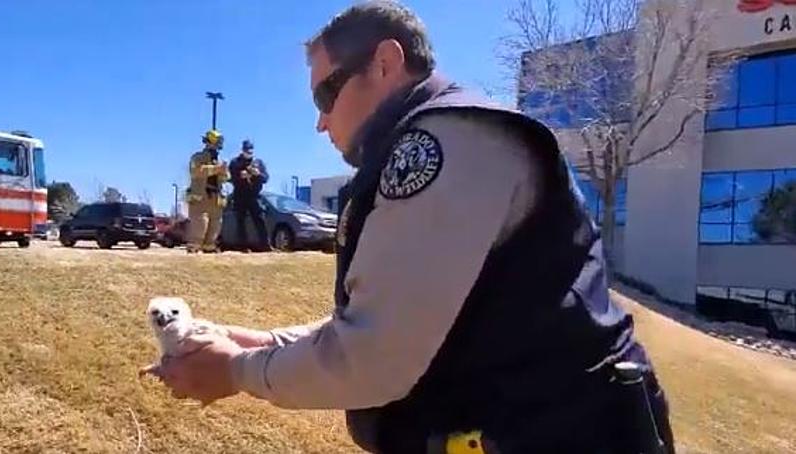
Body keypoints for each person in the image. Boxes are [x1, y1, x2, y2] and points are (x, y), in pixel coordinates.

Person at [145, 2, 675, 453]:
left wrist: (237, 370)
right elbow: (390, 316)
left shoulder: (441, 144)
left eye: (324, 96)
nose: (320, 122)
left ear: (384, 63)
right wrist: (262, 341)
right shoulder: (436, 141)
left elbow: (373, 356)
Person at [185, 130, 229, 253]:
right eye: (217, 142)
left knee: (215, 225)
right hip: (200, 196)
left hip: (216, 197)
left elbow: (226, 178)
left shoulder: (220, 161)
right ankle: (194, 248)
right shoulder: (197, 157)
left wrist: (224, 172)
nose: (218, 146)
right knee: (200, 224)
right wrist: (216, 169)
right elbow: (197, 171)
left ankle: (209, 247)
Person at [228, 139, 271, 252]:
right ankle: (242, 246)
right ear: (242, 150)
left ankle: (265, 245)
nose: (249, 153)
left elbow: (266, 178)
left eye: (251, 151)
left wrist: (258, 174)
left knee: (259, 219)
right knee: (240, 221)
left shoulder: (258, 162)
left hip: (254, 195)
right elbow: (230, 178)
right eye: (247, 151)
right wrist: (239, 176)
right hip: (240, 195)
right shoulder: (235, 162)